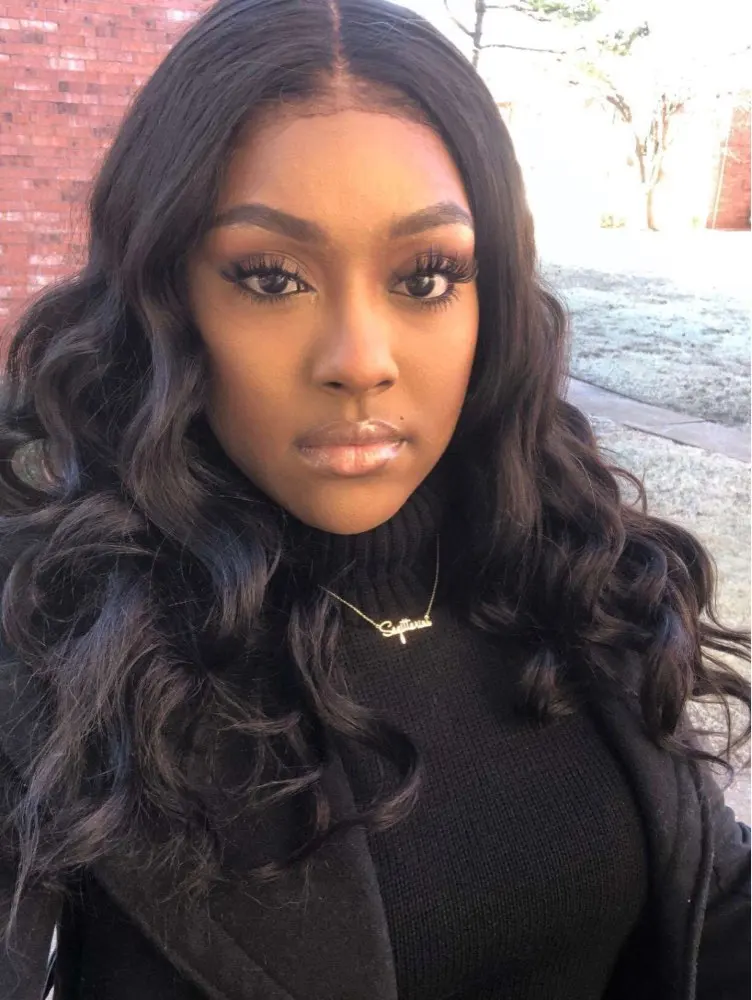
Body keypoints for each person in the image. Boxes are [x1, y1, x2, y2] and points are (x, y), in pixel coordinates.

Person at [0, 0, 749, 997]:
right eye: (272, 278)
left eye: (426, 277)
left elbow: (713, 906)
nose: (360, 361)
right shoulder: (56, 628)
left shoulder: (572, 564)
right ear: (166, 296)